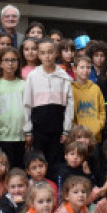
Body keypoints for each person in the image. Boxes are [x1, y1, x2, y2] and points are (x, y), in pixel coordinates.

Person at [24, 38, 74, 168]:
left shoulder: (63, 76)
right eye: (43, 52)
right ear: (38, 55)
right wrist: (28, 131)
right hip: (38, 129)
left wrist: (66, 131)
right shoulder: (33, 76)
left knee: (56, 163)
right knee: (39, 163)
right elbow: (27, 105)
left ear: (56, 53)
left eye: (50, 52)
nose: (47, 56)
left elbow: (69, 105)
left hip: (57, 129)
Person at [0, 46, 27, 168]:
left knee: (18, 168)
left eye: (13, 60)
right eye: (6, 60)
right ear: (0, 63)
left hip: (21, 136)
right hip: (2, 136)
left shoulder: (23, 84)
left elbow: (28, 110)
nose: (10, 63)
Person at [72, 54, 106, 144]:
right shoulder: (70, 89)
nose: (85, 70)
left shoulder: (96, 88)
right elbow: (69, 114)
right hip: (78, 138)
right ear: (74, 69)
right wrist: (76, 130)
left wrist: (99, 126)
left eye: (88, 67)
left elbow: (102, 110)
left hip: (95, 137)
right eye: (82, 67)